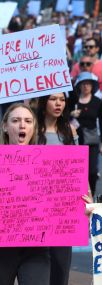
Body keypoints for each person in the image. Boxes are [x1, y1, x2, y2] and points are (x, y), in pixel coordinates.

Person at [0, 103, 50, 285]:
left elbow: (61, 202)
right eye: (16, 120)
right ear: (5, 127)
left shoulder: (52, 163)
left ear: (33, 128)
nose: (22, 125)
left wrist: (81, 205)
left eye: (28, 121)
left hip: (36, 248)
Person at [36, 93, 77, 285]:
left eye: (62, 99)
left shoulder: (70, 132)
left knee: (61, 265)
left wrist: (86, 196)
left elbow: (78, 168)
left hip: (63, 208)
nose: (58, 103)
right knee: (38, 263)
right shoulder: (31, 130)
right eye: (53, 99)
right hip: (36, 207)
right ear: (44, 102)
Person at [69, 72, 102, 196]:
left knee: (92, 172)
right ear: (79, 86)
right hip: (75, 141)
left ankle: (91, 193)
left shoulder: (97, 101)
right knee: (76, 171)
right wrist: (70, 115)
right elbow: (61, 117)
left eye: (89, 84)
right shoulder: (73, 101)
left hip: (92, 141)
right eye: (83, 84)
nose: (86, 86)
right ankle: (77, 194)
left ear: (93, 86)